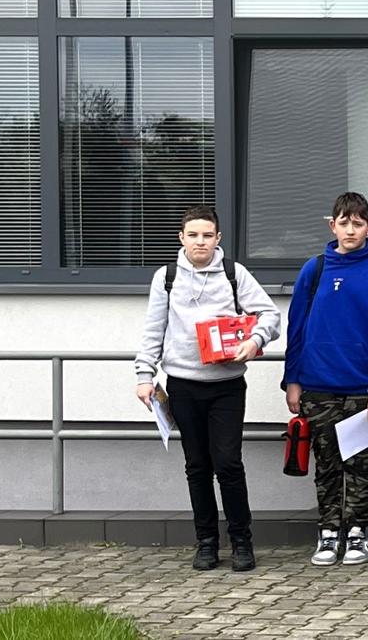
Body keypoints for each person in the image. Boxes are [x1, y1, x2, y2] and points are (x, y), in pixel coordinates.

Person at [134, 205, 284, 572]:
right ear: (181, 238)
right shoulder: (166, 277)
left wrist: (254, 341)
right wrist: (143, 375)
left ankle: (242, 541)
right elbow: (154, 328)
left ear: (217, 239)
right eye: (193, 235)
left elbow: (270, 315)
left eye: (207, 235)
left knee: (229, 464)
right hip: (182, 386)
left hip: (227, 387)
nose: (200, 241)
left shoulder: (234, 273)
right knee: (196, 465)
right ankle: (206, 542)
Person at [283, 193, 368, 568]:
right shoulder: (314, 270)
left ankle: (358, 531)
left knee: (362, 465)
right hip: (317, 386)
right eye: (343, 222)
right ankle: (329, 530)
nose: (351, 230)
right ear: (332, 226)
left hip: (364, 389)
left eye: (358, 223)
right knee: (328, 463)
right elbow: (296, 328)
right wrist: (293, 380)